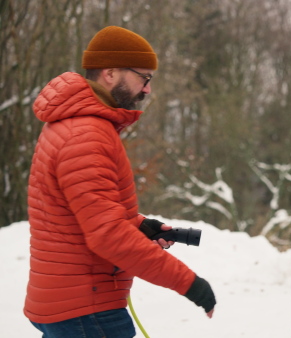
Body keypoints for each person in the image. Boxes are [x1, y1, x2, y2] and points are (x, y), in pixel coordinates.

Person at [26, 26, 216, 337]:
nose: (147, 89)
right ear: (111, 73)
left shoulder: (74, 125)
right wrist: (189, 283)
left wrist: (139, 225)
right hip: (87, 310)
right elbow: (107, 235)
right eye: (144, 77)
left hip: (72, 304)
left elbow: (84, 214)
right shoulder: (86, 134)